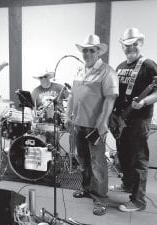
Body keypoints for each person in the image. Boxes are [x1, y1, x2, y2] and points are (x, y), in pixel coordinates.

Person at [109, 28, 157, 212]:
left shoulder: (149, 65)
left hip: (140, 120)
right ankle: (127, 185)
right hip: (122, 120)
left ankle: (138, 201)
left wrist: (144, 102)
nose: (130, 47)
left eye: (134, 44)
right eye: (126, 45)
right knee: (124, 156)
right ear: (122, 46)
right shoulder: (120, 67)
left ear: (140, 44)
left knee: (138, 159)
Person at [65, 34, 119, 216]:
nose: (87, 53)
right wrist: (67, 116)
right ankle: (87, 188)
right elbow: (73, 95)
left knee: (98, 163)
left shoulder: (107, 71)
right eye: (85, 50)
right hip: (79, 124)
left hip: (95, 126)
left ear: (98, 51)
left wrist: (103, 121)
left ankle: (101, 198)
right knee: (83, 160)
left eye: (91, 50)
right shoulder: (79, 70)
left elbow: (110, 99)